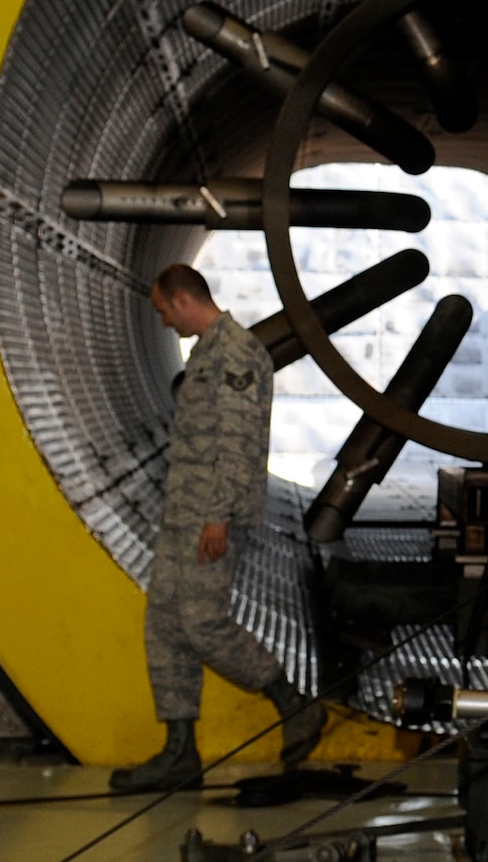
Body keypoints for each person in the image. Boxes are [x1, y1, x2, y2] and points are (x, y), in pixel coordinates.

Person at [110, 263, 326, 790]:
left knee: (203, 623)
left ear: (184, 300)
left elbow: (238, 440)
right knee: (164, 623)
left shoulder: (235, 353)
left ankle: (294, 704)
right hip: (184, 513)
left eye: (164, 310)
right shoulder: (207, 350)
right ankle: (179, 751)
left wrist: (219, 516)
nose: (163, 322)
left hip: (210, 515)